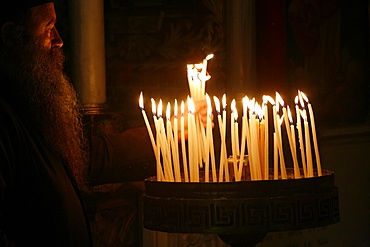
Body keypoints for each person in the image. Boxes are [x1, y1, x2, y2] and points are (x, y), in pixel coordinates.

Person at [0, 1, 208, 246]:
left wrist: (168, 135)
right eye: (48, 28)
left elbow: (87, 157)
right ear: (11, 36)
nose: (58, 40)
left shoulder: (28, 103)